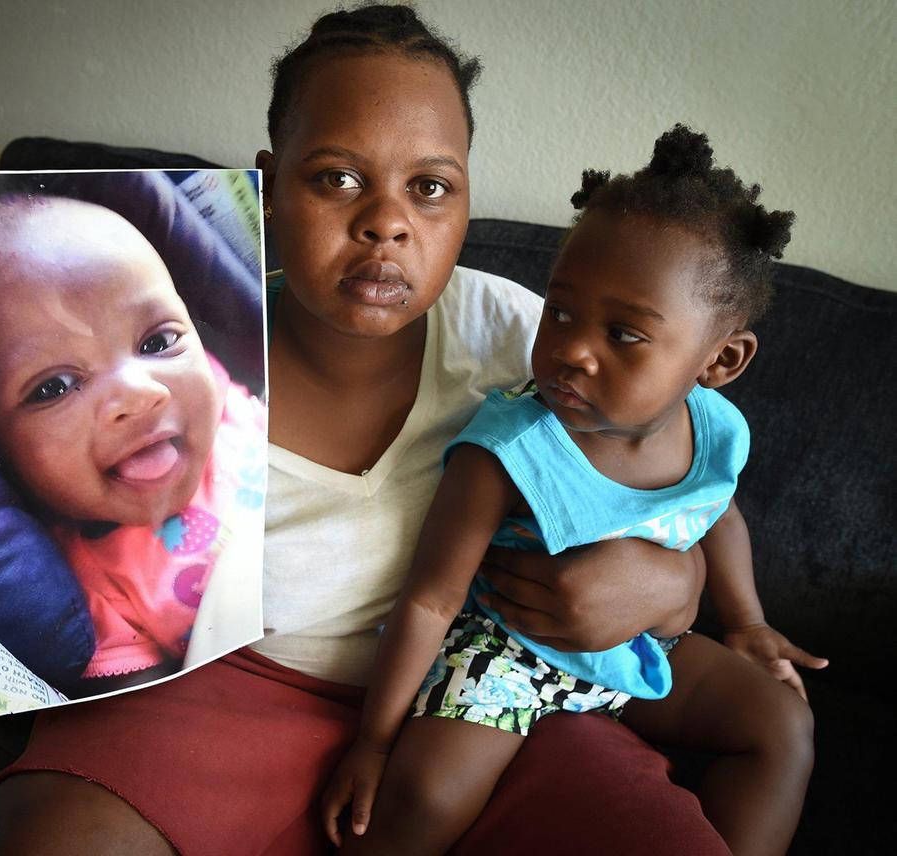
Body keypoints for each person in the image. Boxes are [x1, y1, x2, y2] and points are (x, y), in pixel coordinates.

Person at [0, 6, 726, 854]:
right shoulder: (211, 362)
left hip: (477, 702)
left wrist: (671, 580)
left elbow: (678, 480)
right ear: (272, 189)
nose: (385, 226)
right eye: (338, 180)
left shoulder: (528, 337)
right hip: (219, 691)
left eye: (430, 188)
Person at [321, 124, 826, 856]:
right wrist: (374, 740)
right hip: (507, 658)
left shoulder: (714, 427)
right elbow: (432, 598)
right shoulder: (510, 446)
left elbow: (716, 511)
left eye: (624, 335)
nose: (573, 350)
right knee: (425, 797)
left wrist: (746, 623)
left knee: (783, 726)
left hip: (643, 648)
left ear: (720, 360)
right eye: (560, 312)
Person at [0, 193, 265, 683]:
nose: (140, 395)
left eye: (157, 342)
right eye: (53, 387)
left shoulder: (231, 402)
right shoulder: (92, 596)